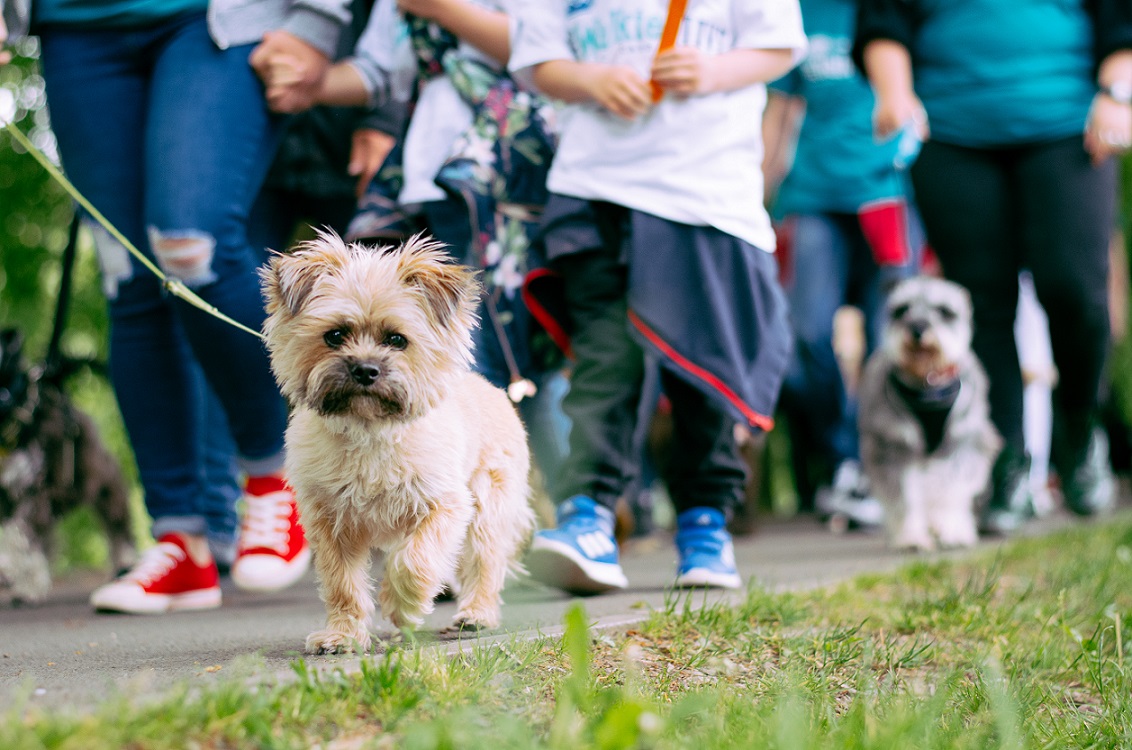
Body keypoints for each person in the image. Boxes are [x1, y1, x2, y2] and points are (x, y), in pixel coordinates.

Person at [0, 0, 351, 612]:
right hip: (75, 31)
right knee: (126, 276)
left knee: (190, 246)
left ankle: (278, 475)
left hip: (213, 20)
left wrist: (318, 21)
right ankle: (180, 537)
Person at [509, 0, 807, 593]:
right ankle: (588, 515)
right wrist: (589, 79)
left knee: (703, 370)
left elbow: (779, 44)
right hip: (597, 188)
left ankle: (706, 523)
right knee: (605, 357)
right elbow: (535, 58)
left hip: (705, 195)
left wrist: (711, 72)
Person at [264, 0, 571, 484]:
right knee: (433, 347)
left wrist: (440, 8)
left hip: (507, 179)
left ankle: (544, 495)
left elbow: (545, 51)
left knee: (511, 347)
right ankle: (434, 497)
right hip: (424, 178)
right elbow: (378, 70)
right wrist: (313, 83)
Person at [854, 0, 1132, 534]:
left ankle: (1081, 429)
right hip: (951, 132)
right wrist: (894, 93)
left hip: (1069, 125)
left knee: (1074, 288)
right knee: (981, 301)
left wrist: (1117, 94)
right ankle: (1007, 463)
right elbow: (882, 19)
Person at [762, 0, 920, 531]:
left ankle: (871, 467)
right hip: (813, 197)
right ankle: (842, 453)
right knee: (804, 336)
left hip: (885, 195)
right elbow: (779, 112)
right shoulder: (795, 14)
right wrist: (758, 197)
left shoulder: (889, 14)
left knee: (888, 339)